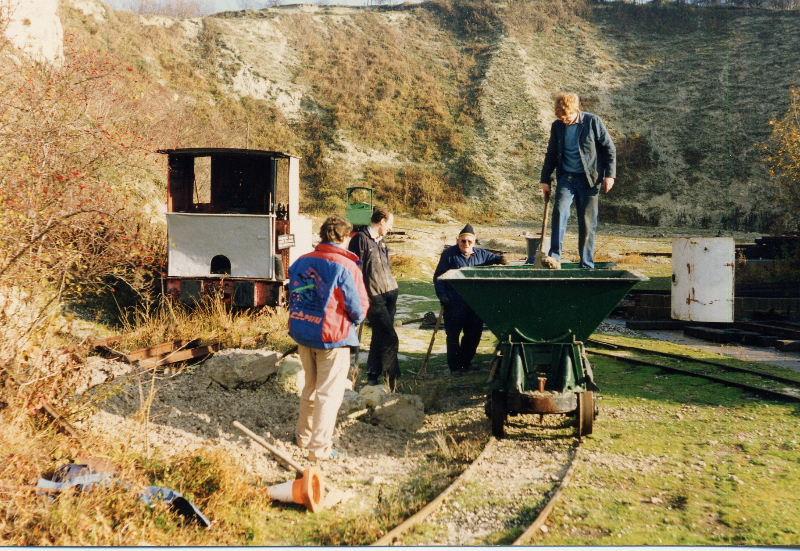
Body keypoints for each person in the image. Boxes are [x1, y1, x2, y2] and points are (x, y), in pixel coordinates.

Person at [288, 215, 369, 462]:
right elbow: (358, 307)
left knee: (310, 387)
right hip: (332, 337)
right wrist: (353, 323)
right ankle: (319, 449)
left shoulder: (301, 261)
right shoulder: (346, 267)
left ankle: (303, 437)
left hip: (303, 332)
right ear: (344, 237)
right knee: (329, 394)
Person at [539, 92, 616, 269]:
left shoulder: (592, 121)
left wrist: (610, 175)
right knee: (559, 213)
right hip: (566, 178)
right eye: (560, 117)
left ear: (576, 110)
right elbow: (551, 154)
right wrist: (545, 179)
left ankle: (587, 264)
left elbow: (609, 148)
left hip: (589, 180)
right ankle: (555, 258)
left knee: (587, 222)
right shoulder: (557, 126)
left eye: (567, 116)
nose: (564, 120)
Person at [433, 224, 505, 375]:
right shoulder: (449, 255)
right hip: (454, 304)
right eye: (463, 241)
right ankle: (454, 368)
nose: (466, 244)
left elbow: (496, 258)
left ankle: (465, 363)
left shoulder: (481, 254)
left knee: (473, 336)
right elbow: (439, 277)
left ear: (474, 242)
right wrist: (443, 296)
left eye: (469, 242)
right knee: (453, 336)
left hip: (475, 305)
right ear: (457, 240)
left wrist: (502, 259)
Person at [348, 207, 400, 389]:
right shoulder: (360, 240)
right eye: (390, 224)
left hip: (389, 293)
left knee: (380, 335)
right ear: (382, 221)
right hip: (373, 297)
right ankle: (392, 379)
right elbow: (355, 271)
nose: (390, 228)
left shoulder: (381, 241)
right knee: (390, 337)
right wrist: (362, 299)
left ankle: (373, 374)